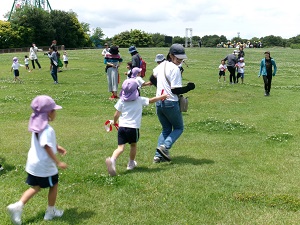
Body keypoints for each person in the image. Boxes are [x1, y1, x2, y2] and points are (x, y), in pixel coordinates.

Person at [7, 95, 67, 225]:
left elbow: (46, 142)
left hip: (33, 165)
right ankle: (50, 212)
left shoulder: (38, 128)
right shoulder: (47, 130)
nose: (55, 113)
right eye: (54, 110)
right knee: (54, 185)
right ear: (49, 113)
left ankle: (18, 206)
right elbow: (46, 146)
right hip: (45, 166)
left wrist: (57, 147)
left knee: (36, 187)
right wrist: (58, 162)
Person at [105, 79, 168, 176]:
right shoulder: (139, 100)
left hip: (122, 128)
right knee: (133, 145)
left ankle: (112, 160)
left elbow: (116, 114)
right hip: (133, 128)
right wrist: (162, 96)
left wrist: (115, 122)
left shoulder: (121, 101)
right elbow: (151, 100)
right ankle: (131, 163)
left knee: (120, 148)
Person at [150, 44, 195, 163]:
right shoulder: (175, 69)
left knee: (166, 129)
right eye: (178, 58)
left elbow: (152, 78)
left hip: (159, 101)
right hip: (170, 102)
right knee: (179, 128)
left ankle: (157, 157)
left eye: (181, 58)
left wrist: (160, 88)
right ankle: (165, 147)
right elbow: (175, 90)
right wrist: (189, 88)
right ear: (170, 55)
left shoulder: (161, 65)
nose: (180, 60)